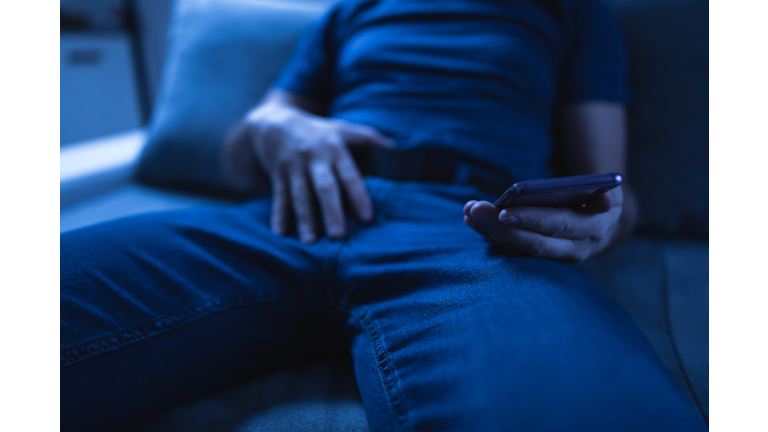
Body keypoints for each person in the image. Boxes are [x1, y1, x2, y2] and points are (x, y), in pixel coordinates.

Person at [60, 0, 707, 430]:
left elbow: (610, 186)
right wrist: (274, 124)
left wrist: (602, 218)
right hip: (291, 212)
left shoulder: (571, 10)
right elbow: (238, 158)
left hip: (470, 232)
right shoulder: (355, 6)